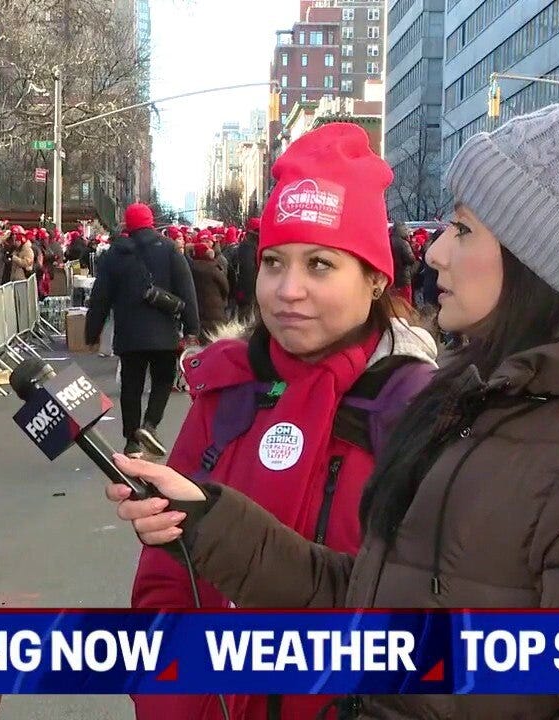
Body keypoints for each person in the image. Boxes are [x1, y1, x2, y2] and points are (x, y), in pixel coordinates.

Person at [108, 66, 559, 720]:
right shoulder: (476, 402)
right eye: (276, 262)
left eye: (464, 230)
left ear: (542, 259)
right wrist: (209, 519)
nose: (434, 252)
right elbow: (370, 604)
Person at [129, 123, 438, 720]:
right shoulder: (224, 390)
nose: (287, 290)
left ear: (375, 278)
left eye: (320, 265)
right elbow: (166, 579)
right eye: (273, 262)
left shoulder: (416, 410)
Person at [86, 202, 200, 457]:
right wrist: (193, 327)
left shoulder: (114, 255)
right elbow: (187, 291)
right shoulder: (170, 250)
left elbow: (100, 297)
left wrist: (92, 333)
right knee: (163, 380)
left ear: (128, 224)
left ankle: (131, 440)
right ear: (151, 222)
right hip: (164, 332)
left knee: (131, 385)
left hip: (129, 333)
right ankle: (150, 424)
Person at [187, 243, 229, 340]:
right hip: (215, 311)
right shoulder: (213, 269)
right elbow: (225, 286)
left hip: (198, 311)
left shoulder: (190, 268)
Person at [231, 217, 260, 321]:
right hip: (248, 295)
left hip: (247, 294)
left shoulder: (247, 248)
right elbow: (247, 273)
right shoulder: (248, 249)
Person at [388, 221, 419, 304]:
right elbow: (411, 259)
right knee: (406, 300)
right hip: (403, 275)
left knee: (394, 300)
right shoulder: (403, 243)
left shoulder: (388, 240)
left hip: (392, 275)